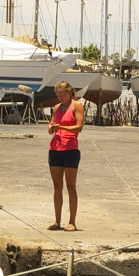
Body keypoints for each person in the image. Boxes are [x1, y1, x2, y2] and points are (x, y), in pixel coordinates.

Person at [48, 81, 84, 231]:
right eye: (58, 95)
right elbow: (52, 125)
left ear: (69, 92)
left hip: (70, 149)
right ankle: (57, 221)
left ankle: (72, 221)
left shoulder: (77, 106)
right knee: (57, 187)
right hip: (55, 148)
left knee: (71, 186)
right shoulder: (56, 108)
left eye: (62, 95)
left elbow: (79, 127)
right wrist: (51, 128)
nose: (60, 98)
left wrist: (61, 126)